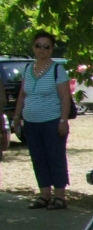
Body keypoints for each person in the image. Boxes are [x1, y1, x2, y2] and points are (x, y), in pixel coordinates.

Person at [11, 31, 72, 210]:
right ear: (33, 47)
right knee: (38, 157)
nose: (42, 50)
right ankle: (44, 194)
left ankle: (59, 196)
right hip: (31, 122)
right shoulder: (28, 69)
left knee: (55, 157)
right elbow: (23, 94)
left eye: (46, 47)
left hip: (52, 121)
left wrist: (63, 120)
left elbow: (65, 97)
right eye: (38, 46)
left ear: (51, 49)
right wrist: (17, 116)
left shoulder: (57, 70)